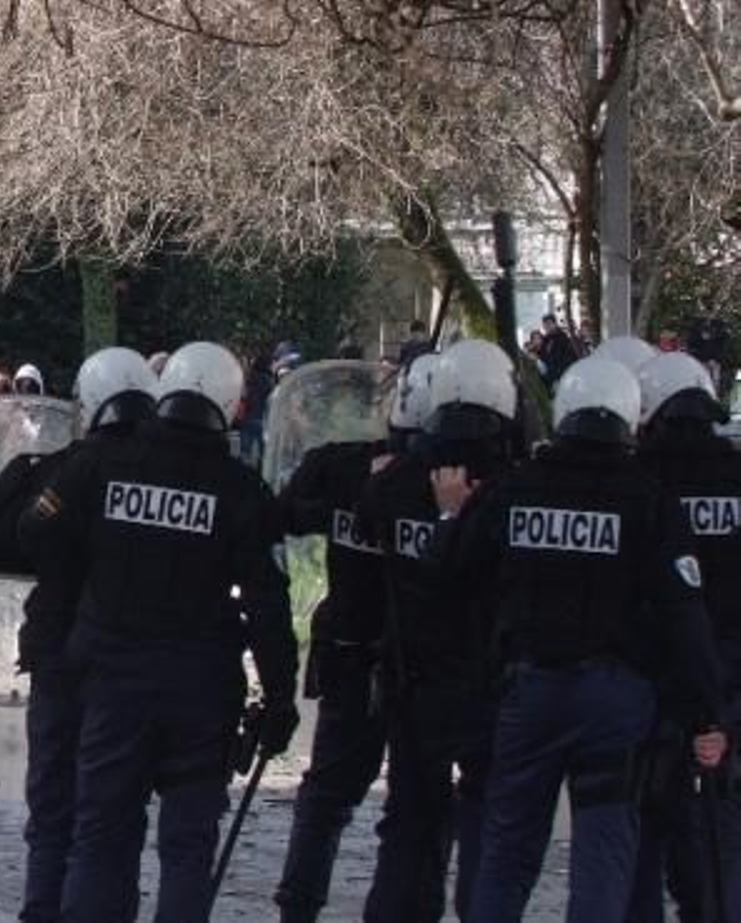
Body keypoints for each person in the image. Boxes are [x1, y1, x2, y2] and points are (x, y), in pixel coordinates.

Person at [432, 356, 729, 922]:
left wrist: (451, 519)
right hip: (615, 701)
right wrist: (707, 711)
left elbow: (452, 577)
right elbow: (684, 614)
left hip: (531, 691)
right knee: (603, 853)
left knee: (508, 849)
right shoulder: (648, 500)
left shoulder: (515, 487)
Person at [25, 341, 300, 922]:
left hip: (111, 681)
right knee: (188, 847)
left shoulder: (100, 464)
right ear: (234, 404)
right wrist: (279, 695)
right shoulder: (239, 488)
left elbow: (36, 534)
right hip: (201, 690)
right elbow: (268, 602)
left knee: (101, 835)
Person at [358, 339, 520, 922]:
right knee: (485, 818)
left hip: (413, 676)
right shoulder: (509, 484)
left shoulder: (397, 479)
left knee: (409, 822)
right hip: (486, 678)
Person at [273, 357, 432, 923]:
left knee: (329, 795)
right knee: (404, 803)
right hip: (394, 659)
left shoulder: (347, 466)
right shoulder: (445, 488)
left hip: (368, 652)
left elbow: (290, 513)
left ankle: (302, 904)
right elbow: (288, 514)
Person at [2, 346, 158, 922]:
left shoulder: (72, 467)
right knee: (112, 811)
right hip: (127, 664)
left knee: (55, 809)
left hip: (66, 655)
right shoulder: (156, 470)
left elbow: (6, 538)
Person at [624, 351, 740, 922]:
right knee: (725, 820)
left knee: (646, 814)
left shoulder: (641, 480)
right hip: (732, 666)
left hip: (656, 670)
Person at [538, 314, 580, 388]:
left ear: (554, 324)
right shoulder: (546, 340)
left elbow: (567, 358)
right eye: (545, 324)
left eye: (549, 324)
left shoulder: (562, 338)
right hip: (549, 372)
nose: (547, 326)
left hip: (560, 374)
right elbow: (542, 356)